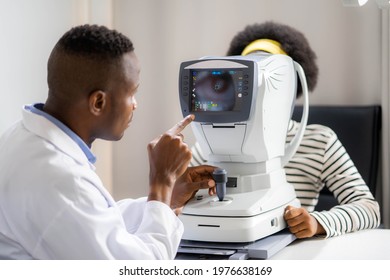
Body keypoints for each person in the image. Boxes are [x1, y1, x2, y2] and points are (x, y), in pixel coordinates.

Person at [0, 24, 216, 260]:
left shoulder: (22, 138)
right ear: (98, 103)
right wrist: (161, 183)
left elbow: (93, 221)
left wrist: (168, 198)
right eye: (132, 93)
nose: (135, 105)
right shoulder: (58, 179)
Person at [191, 21, 381, 239]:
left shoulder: (320, 141)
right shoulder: (206, 147)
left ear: (290, 86)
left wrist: (318, 222)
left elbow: (369, 209)